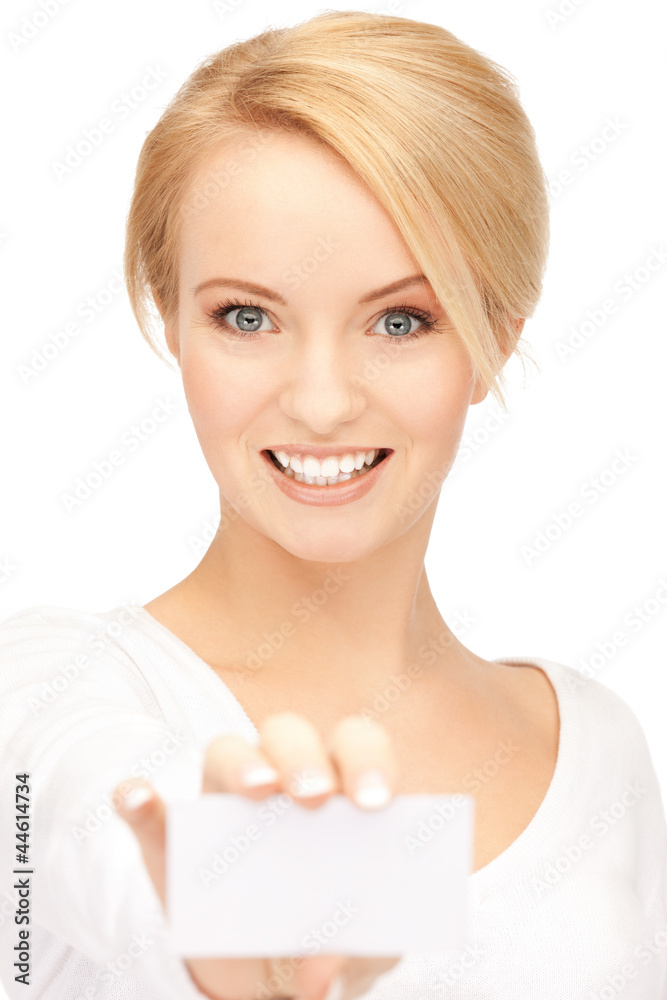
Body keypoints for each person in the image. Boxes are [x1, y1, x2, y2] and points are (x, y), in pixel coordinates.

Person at [1, 9, 665, 1000]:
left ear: (495, 335)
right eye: (246, 316)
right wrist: (228, 928)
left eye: (400, 319)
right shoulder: (46, 684)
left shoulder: (596, 743)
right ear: (170, 320)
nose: (319, 402)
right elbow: (93, 818)